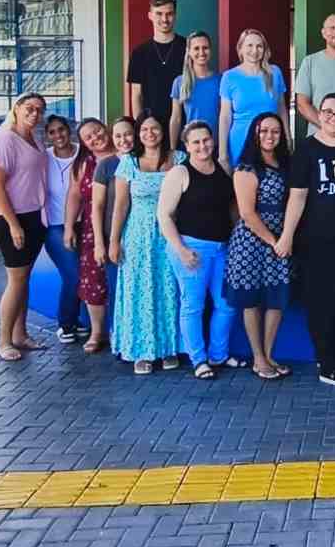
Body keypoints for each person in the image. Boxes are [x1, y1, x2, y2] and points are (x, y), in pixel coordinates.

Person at [278, 92, 335, 388]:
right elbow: (297, 196)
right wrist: (287, 236)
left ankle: (331, 356)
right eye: (327, 112)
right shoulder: (306, 151)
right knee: (320, 302)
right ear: (318, 114)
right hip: (315, 240)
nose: (334, 117)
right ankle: (328, 364)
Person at [158, 120, 237, 380]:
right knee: (193, 306)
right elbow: (164, 216)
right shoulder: (179, 173)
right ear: (187, 145)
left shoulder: (223, 169)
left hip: (221, 248)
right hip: (191, 248)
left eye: (206, 140)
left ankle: (218, 355)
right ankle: (198, 360)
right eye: (196, 142)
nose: (202, 145)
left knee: (226, 305)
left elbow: (231, 209)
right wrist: (181, 249)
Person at [109, 112, 184, 375]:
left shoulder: (178, 159)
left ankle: (168, 348)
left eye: (154, 128)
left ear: (163, 131)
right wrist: (114, 241)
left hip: (171, 232)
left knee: (169, 287)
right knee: (138, 290)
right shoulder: (128, 163)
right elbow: (120, 205)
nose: (149, 134)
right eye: (143, 130)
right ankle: (140, 350)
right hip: (138, 234)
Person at [225, 113, 293, 380]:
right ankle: (258, 358)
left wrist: (284, 238)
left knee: (276, 300)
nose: (269, 136)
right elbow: (247, 213)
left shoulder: (285, 163)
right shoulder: (246, 167)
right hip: (253, 242)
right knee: (251, 301)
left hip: (281, 239)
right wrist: (274, 241)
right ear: (255, 133)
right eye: (264, 131)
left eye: (275, 131)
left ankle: (269, 354)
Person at [0, 92, 49, 362]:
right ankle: (3, 341)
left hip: (33, 215)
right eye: (29, 108)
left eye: (39, 110)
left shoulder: (34, 139)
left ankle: (20, 334)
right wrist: (14, 225)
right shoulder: (4, 140)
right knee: (15, 280)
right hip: (11, 218)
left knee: (24, 279)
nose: (34, 114)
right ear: (17, 108)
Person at [61, 117, 112, 352]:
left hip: (127, 224)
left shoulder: (127, 154)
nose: (96, 137)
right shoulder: (85, 163)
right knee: (93, 279)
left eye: (97, 131)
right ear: (84, 143)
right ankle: (97, 331)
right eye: (89, 137)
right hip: (93, 227)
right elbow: (74, 195)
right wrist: (70, 226)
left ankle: (120, 331)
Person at [91, 117, 135, 332]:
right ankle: (119, 337)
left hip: (140, 238)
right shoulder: (106, 165)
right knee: (117, 290)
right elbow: (97, 206)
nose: (123, 140)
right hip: (113, 240)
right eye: (118, 136)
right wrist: (100, 243)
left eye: (127, 134)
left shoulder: (145, 161)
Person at [219, 29, 287, 169]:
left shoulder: (275, 73)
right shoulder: (229, 77)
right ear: (241, 48)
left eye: (259, 46)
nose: (254, 50)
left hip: (270, 140)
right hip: (240, 141)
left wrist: (288, 137)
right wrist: (223, 153)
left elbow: (282, 109)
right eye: (249, 45)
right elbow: (225, 117)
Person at [41, 114, 83, 343]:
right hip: (56, 225)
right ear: (47, 136)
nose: (58, 135)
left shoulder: (82, 153)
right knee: (73, 275)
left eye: (61, 130)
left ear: (69, 130)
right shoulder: (43, 158)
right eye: (52, 132)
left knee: (87, 274)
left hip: (84, 222)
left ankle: (79, 321)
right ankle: (66, 322)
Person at [127, 0, 185, 123]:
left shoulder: (188, 48)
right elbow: (136, 95)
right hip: (152, 126)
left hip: (184, 123)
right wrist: (140, 126)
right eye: (159, 14)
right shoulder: (139, 53)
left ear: (175, 16)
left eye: (169, 14)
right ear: (150, 16)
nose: (164, 19)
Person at [169, 31, 222, 151]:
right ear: (189, 52)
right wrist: (172, 150)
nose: (201, 52)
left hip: (216, 145)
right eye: (196, 48)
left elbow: (224, 116)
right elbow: (176, 118)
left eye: (205, 48)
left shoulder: (220, 80)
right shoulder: (179, 82)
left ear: (210, 50)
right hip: (192, 144)